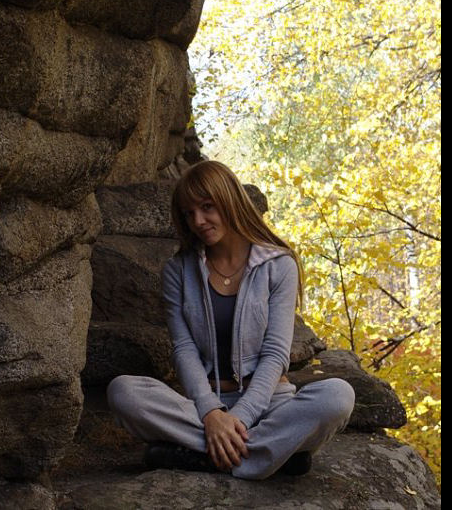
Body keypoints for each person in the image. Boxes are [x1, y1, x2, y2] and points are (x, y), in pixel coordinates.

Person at [107, 160, 355, 480]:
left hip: (271, 403)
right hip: (206, 406)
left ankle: (206, 455)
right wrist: (212, 413)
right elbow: (184, 349)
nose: (198, 221)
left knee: (338, 395)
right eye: (188, 213)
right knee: (123, 392)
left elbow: (275, 353)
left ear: (230, 200)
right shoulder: (178, 271)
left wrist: (238, 418)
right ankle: (272, 455)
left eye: (207, 207)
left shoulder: (279, 265)